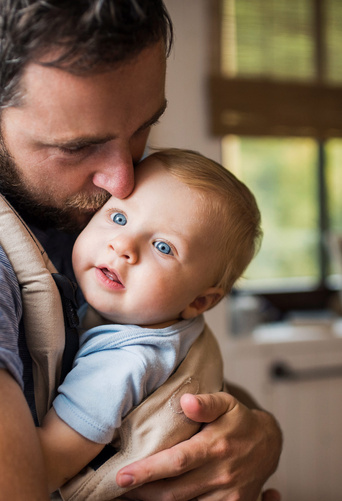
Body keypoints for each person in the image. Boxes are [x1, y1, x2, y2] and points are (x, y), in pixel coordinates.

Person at [0, 1, 282, 500]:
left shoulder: (106, 223)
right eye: (77, 146)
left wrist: (261, 435)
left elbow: (166, 376)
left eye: (142, 129)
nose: (122, 181)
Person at [37, 148, 262, 494]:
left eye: (163, 247)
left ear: (199, 301)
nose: (123, 245)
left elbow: (46, 466)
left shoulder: (124, 362)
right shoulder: (160, 325)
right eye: (120, 218)